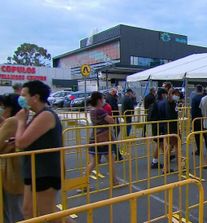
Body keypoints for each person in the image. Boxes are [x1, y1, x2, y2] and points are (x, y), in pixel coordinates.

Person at [14, 81, 73, 222]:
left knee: (47, 214)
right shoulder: (36, 115)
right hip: (33, 170)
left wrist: (21, 121)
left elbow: (21, 143)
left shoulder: (46, 115)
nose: (20, 98)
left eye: (24, 95)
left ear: (35, 97)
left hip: (45, 172)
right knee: (28, 211)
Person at [84, 91, 123, 188]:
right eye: (102, 98)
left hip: (94, 138)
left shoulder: (92, 110)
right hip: (103, 139)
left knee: (93, 162)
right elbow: (111, 120)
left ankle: (83, 184)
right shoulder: (100, 111)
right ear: (99, 100)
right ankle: (115, 182)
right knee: (111, 160)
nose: (104, 100)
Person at [0, 93, 24, 223]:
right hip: (16, 173)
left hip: (11, 174)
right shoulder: (16, 120)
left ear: (9, 108)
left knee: (13, 211)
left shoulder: (12, 121)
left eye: (3, 107)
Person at [156, 88, 181, 172]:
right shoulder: (170, 102)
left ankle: (170, 166)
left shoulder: (173, 103)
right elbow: (169, 98)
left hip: (172, 126)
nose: (177, 96)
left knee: (171, 147)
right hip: (171, 127)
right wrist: (170, 91)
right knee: (172, 146)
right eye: (176, 94)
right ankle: (170, 167)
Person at [190, 85, 204, 155]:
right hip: (204, 119)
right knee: (206, 135)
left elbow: (193, 111)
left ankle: (199, 150)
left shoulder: (194, 98)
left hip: (196, 119)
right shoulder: (204, 97)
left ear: (196, 90)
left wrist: (192, 120)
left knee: (197, 136)